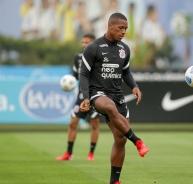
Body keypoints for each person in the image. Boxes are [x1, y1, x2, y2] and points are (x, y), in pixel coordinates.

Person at [79, 13, 149, 184]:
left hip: (117, 95)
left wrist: (134, 86)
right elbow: (84, 74)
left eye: (125, 29)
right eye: (120, 28)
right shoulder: (93, 48)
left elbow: (126, 72)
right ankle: (138, 141)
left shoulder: (124, 49)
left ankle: (114, 181)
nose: (124, 31)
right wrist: (87, 97)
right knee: (109, 107)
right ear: (110, 26)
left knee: (120, 139)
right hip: (98, 94)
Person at [56, 33, 100, 161]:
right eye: (83, 42)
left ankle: (91, 153)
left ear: (93, 43)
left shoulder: (99, 57)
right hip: (81, 96)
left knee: (95, 125)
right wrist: (67, 83)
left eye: (87, 42)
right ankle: (68, 153)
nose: (84, 44)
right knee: (72, 123)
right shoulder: (78, 57)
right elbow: (74, 76)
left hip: (96, 96)